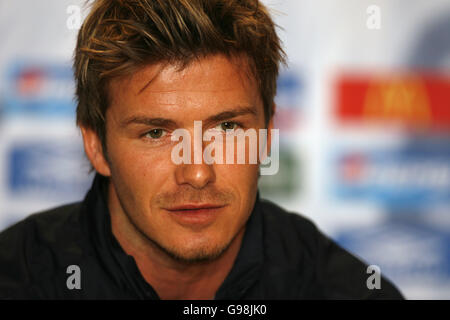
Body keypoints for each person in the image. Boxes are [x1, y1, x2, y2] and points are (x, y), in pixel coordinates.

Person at [0, 0, 403, 299]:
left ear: (266, 134)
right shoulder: (18, 279)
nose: (196, 172)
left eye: (227, 128)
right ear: (96, 145)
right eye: (156, 133)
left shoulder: (345, 291)